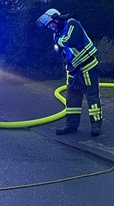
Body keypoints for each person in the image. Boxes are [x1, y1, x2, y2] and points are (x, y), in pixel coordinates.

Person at [37, 8, 103, 136]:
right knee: (72, 98)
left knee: (92, 97)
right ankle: (71, 125)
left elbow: (70, 41)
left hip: (87, 66)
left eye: (50, 23)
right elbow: (63, 52)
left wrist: (59, 41)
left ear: (57, 18)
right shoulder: (57, 33)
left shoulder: (72, 23)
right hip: (73, 70)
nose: (50, 27)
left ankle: (96, 126)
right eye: (48, 25)